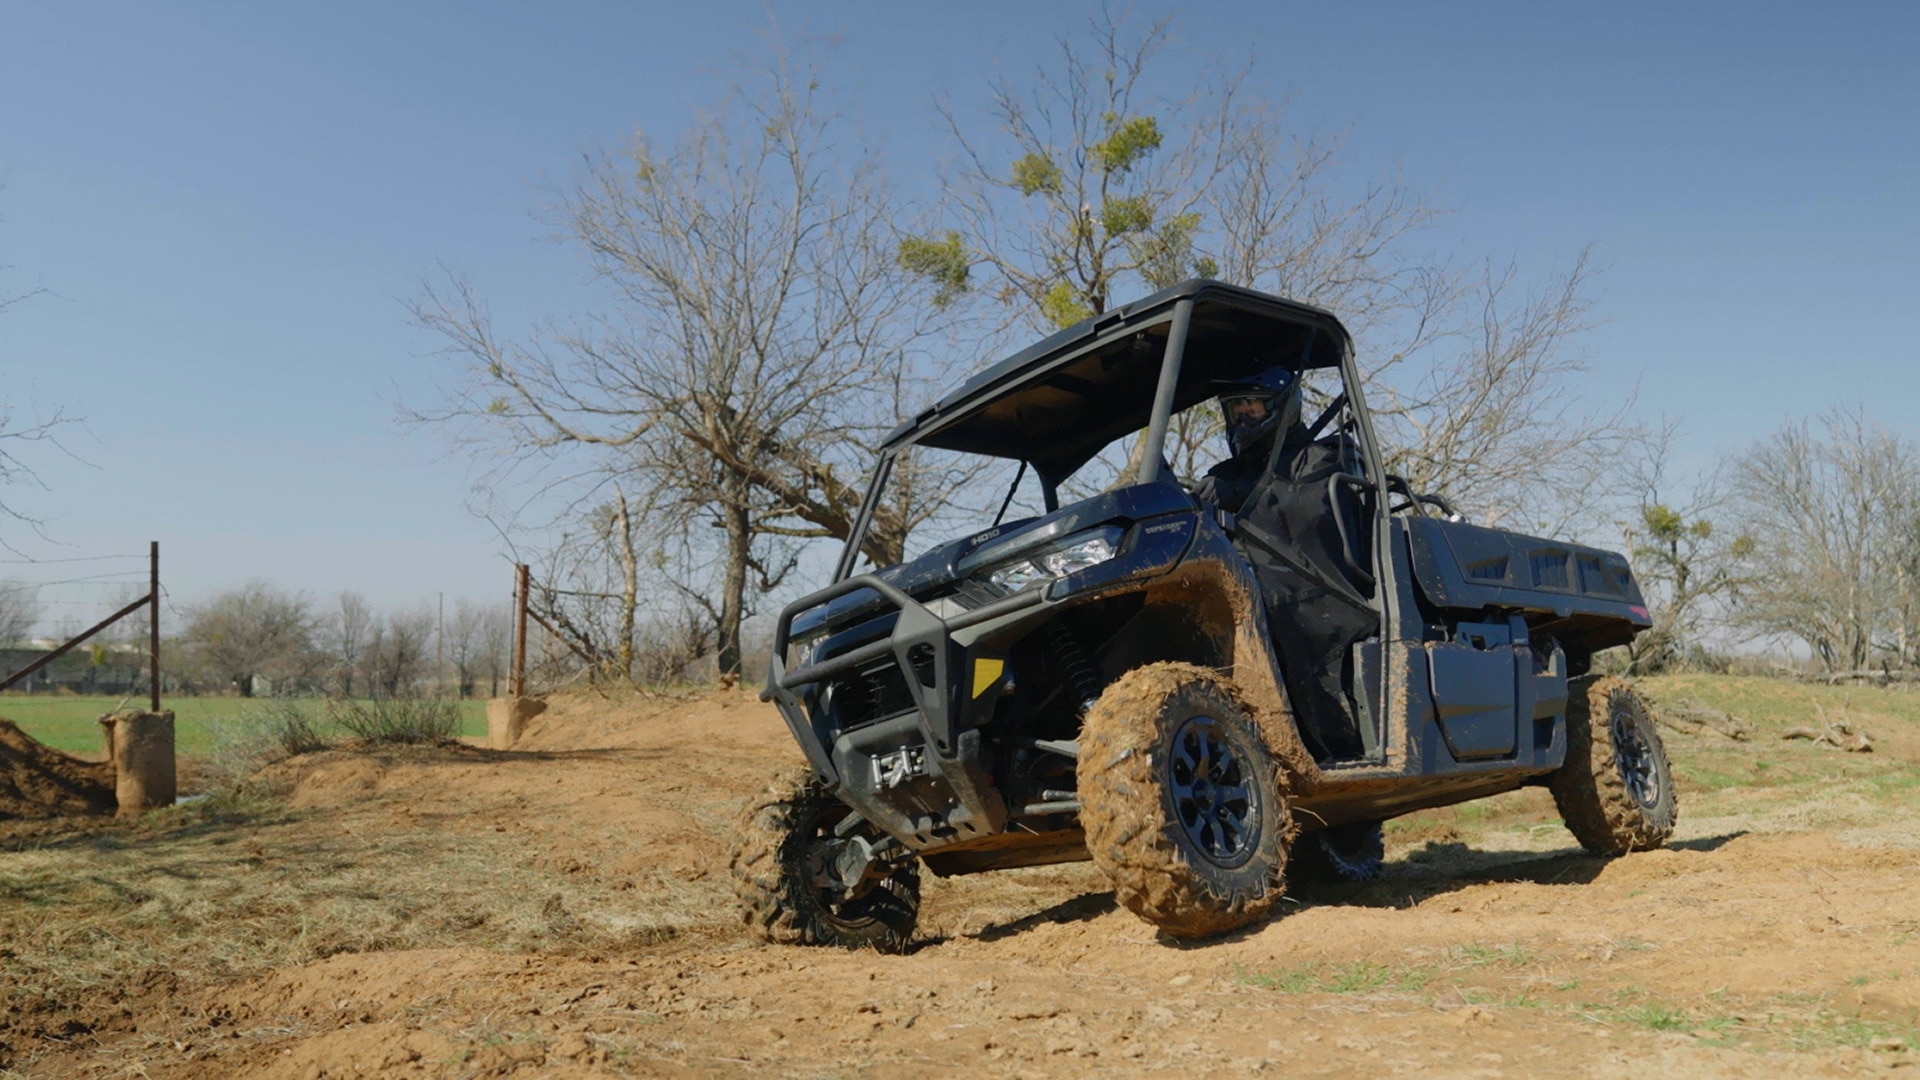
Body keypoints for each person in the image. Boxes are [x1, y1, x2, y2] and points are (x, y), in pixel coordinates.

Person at [1189, 366, 1304, 514]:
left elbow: (1309, 512)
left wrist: (1240, 498)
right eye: (1235, 415)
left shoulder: (1316, 462)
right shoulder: (1224, 475)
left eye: (1252, 412)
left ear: (1283, 408)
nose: (1241, 423)